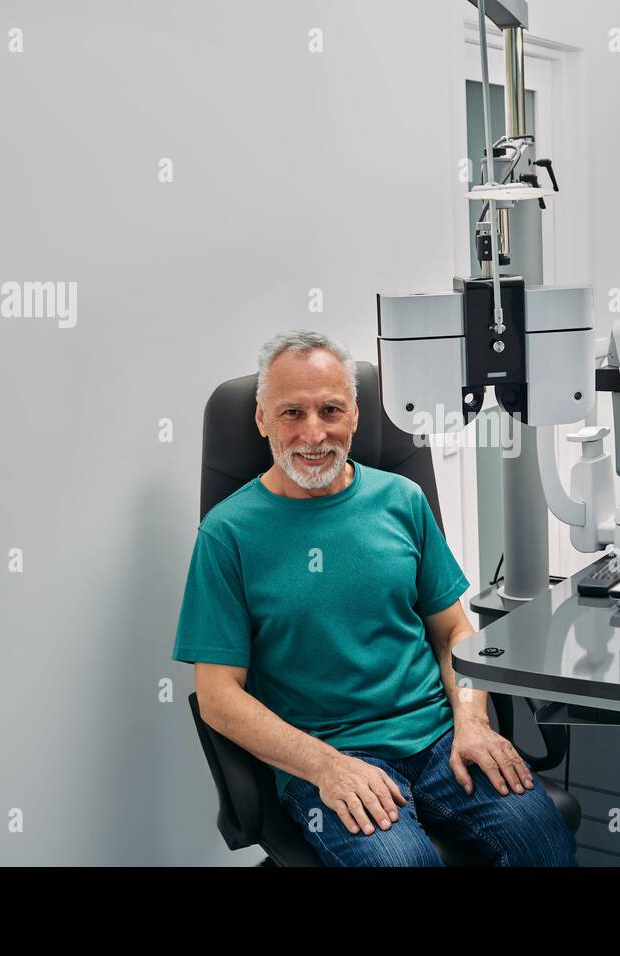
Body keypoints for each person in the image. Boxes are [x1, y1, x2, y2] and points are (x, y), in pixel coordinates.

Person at [172, 329, 576, 867]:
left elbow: (455, 632)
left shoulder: (401, 500)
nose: (313, 433)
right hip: (329, 756)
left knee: (541, 837)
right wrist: (325, 767)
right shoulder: (228, 534)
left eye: (330, 410)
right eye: (292, 413)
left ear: (356, 416)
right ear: (262, 420)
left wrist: (472, 722)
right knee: (402, 863)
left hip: (439, 738)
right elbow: (220, 697)